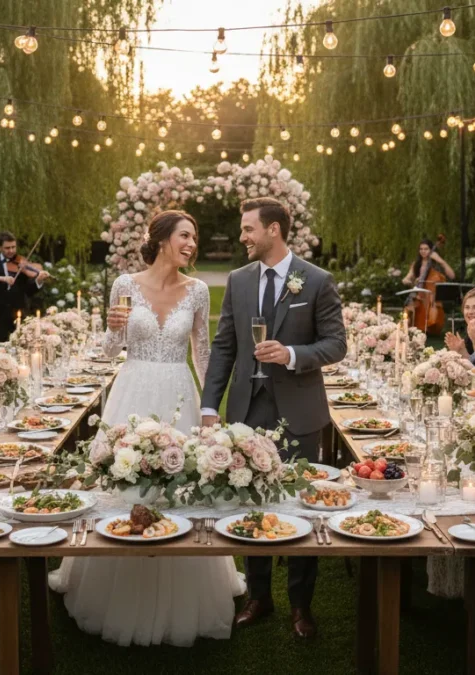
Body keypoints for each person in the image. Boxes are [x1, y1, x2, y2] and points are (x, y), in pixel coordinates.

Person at [49, 210, 241, 647]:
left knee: (182, 487)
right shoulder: (124, 285)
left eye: (195, 236)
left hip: (178, 394)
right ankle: (109, 593)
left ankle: (187, 599)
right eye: (186, 236)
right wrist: (111, 332)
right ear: (160, 239)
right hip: (131, 392)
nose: (192, 243)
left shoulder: (196, 292)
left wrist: (209, 409)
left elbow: (203, 354)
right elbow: (109, 348)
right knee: (123, 485)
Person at [201, 197, 347, 639]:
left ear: (274, 230)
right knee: (251, 501)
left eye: (248, 229)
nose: (242, 237)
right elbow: (225, 345)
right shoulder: (238, 280)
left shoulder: (317, 281)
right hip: (247, 409)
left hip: (300, 412)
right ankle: (258, 596)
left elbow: (336, 344)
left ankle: (301, 605)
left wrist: (292, 354)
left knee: (302, 503)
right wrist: (211, 406)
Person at [0, 233, 50, 343]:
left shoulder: (22, 263)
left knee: (22, 345)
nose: (11, 251)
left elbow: (28, 291)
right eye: (7, 248)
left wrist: (38, 280)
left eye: (13, 247)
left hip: (19, 313)